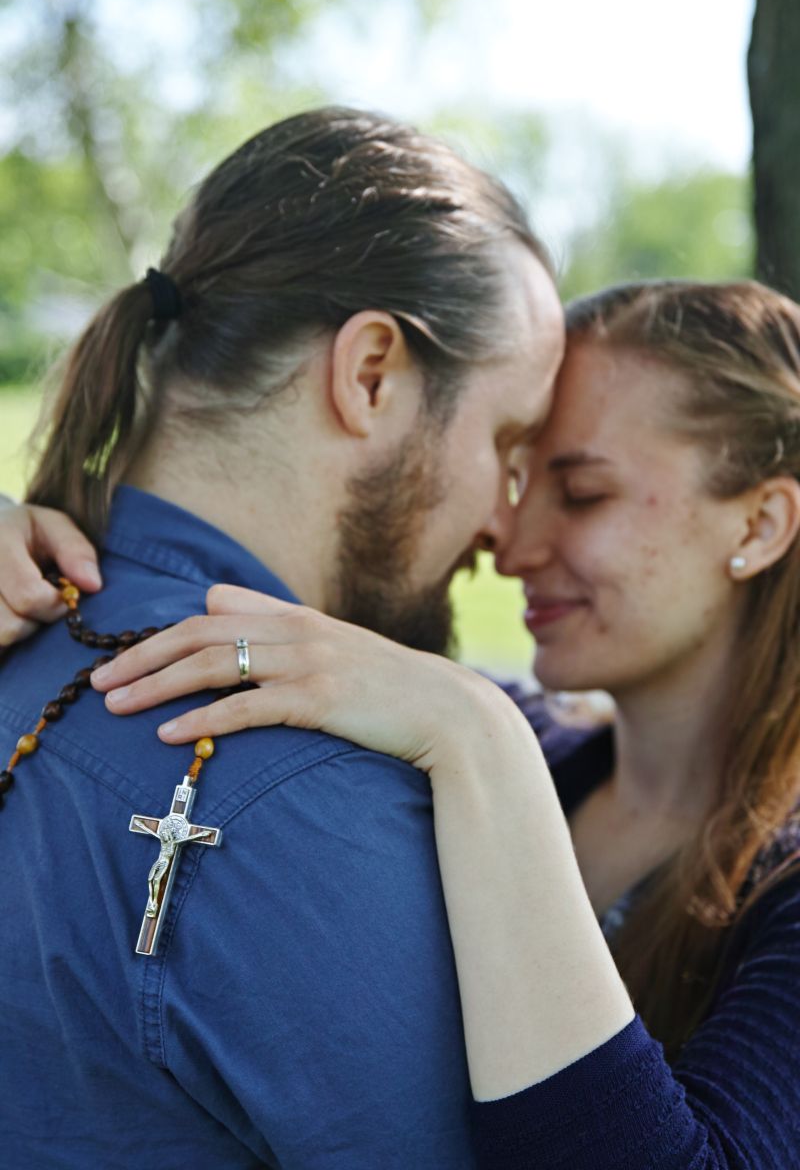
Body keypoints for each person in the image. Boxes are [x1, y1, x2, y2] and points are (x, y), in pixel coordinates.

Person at [6, 278, 799, 1169]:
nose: (510, 542)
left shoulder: (498, 751)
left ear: (762, 523)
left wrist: (479, 730)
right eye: (515, 476)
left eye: (580, 494)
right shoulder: (525, 750)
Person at [0, 105, 565, 1168]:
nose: (502, 527)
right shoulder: (326, 803)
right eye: (508, 441)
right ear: (370, 375)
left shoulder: (23, 645)